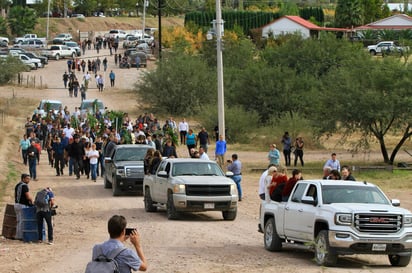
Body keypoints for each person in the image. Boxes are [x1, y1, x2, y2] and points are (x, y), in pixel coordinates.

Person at [14, 174, 33, 240]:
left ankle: (17, 235)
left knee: (18, 221)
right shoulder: (24, 186)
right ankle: (21, 236)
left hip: (16, 204)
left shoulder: (18, 185)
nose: (28, 180)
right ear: (23, 179)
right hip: (22, 205)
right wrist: (31, 201)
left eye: (29, 179)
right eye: (27, 179)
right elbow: (28, 196)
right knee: (22, 221)